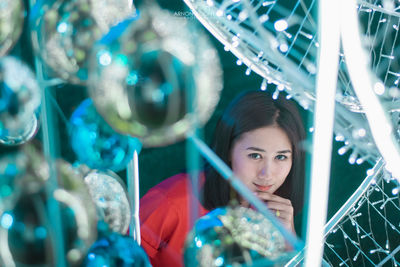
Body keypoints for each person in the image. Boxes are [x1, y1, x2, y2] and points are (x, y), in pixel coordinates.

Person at [139, 90, 306, 267]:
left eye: (281, 157)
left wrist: (289, 241)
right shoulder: (172, 202)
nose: (267, 174)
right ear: (228, 150)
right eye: (255, 156)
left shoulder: (275, 215)